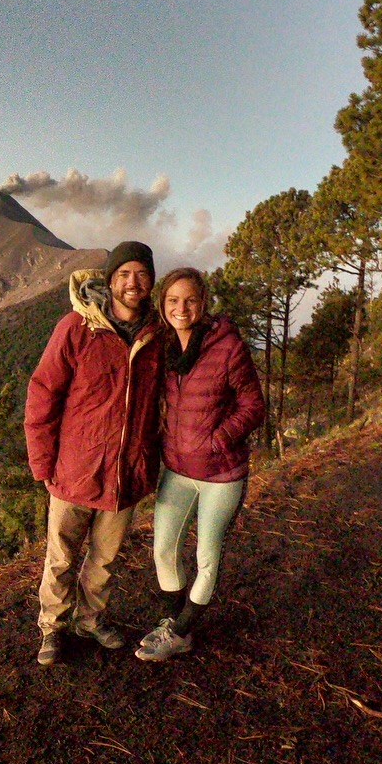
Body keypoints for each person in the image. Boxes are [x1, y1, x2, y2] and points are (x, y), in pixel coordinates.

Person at [25, 241, 164, 666]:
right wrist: (42, 462)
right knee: (61, 557)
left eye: (141, 274)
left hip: (127, 472)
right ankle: (52, 626)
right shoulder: (77, 327)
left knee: (105, 559)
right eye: (124, 274)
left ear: (151, 281)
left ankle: (91, 619)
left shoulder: (156, 336)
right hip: (75, 468)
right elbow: (43, 393)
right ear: (110, 279)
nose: (133, 283)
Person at [135, 267, 265, 662]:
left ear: (203, 303)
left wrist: (218, 439)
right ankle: (177, 629)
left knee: (206, 556)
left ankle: (179, 630)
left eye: (190, 300)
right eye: (173, 300)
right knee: (163, 552)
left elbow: (253, 404)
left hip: (221, 474)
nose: (182, 308)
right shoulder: (163, 346)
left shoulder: (226, 347)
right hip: (177, 470)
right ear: (163, 305)